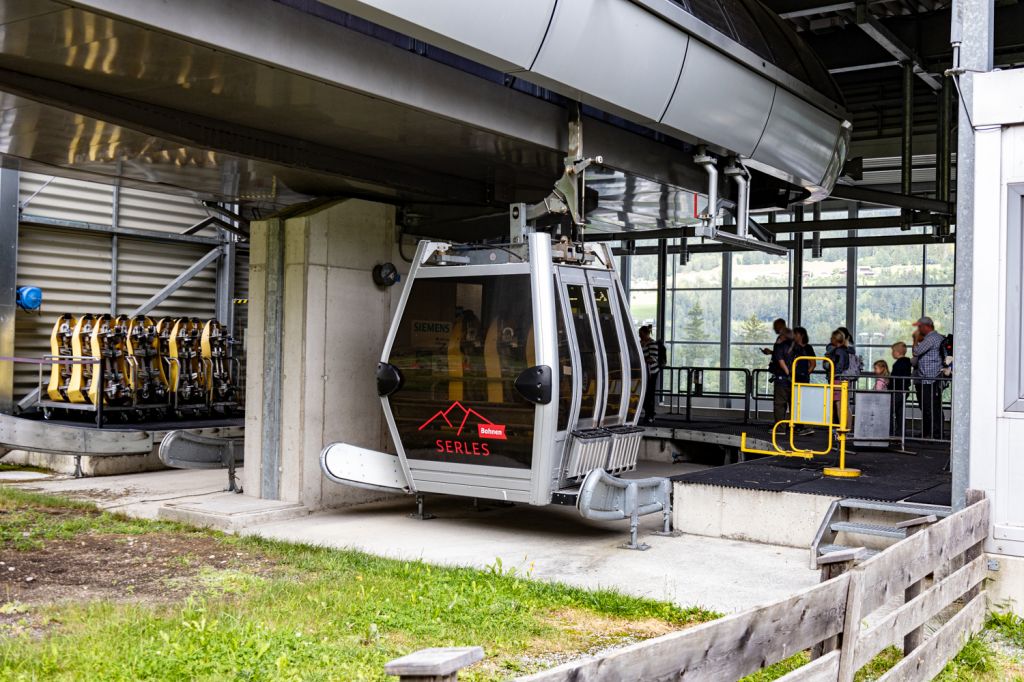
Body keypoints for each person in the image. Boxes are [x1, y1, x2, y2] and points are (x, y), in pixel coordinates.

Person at [910, 316, 946, 439]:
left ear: (926, 326)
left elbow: (916, 351)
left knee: (929, 407)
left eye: (919, 327)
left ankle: (932, 433)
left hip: (929, 378)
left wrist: (915, 339)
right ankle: (932, 432)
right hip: (931, 377)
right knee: (932, 406)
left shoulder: (931, 339)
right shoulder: (938, 337)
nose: (918, 329)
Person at [790, 327, 816, 436]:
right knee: (793, 401)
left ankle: (802, 425)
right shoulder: (793, 347)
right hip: (793, 377)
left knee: (800, 402)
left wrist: (805, 373)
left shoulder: (808, 348)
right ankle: (796, 424)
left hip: (801, 378)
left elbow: (813, 363)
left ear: (801, 335)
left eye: (795, 334)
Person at [826, 330, 850, 424]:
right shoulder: (845, 350)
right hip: (842, 379)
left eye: (831, 338)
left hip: (837, 379)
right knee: (844, 405)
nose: (830, 339)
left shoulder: (838, 351)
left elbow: (838, 366)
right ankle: (847, 427)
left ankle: (842, 427)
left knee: (839, 404)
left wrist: (833, 372)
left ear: (835, 339)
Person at [639, 325, 662, 424]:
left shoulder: (652, 344)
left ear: (645, 333)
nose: (639, 336)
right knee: (645, 394)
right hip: (645, 372)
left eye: (641, 334)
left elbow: (653, 358)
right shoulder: (641, 343)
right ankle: (649, 414)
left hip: (651, 373)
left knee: (649, 394)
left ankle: (650, 414)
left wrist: (641, 361)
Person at [890, 342, 912, 435]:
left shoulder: (898, 364)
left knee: (890, 411)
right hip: (904, 390)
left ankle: (890, 431)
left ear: (897, 352)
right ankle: (900, 432)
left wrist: (889, 386)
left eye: (893, 351)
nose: (892, 353)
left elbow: (895, 378)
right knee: (900, 412)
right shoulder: (907, 362)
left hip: (897, 390)